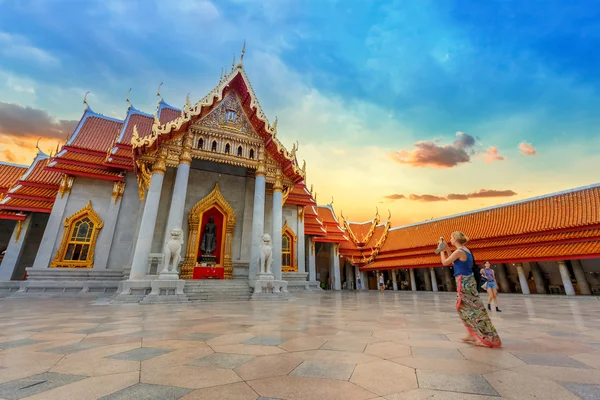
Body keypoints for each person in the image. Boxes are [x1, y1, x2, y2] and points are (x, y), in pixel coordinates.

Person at [438, 232, 501, 348]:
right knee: (466, 307)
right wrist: (446, 248)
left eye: (452, 238)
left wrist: (441, 250)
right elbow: (454, 261)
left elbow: (445, 262)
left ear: (456, 239)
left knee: (469, 309)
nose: (450, 239)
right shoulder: (465, 250)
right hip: (469, 281)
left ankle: (481, 336)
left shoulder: (459, 252)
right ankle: (471, 333)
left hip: (464, 282)